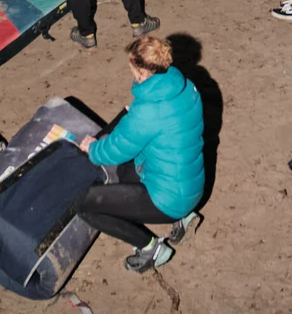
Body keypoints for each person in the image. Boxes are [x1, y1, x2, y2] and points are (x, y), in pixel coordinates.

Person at [77, 35, 205, 274]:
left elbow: (114, 151)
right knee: (127, 171)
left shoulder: (147, 111)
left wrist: (92, 147)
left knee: (85, 206)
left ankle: (150, 248)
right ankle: (184, 219)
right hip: (191, 185)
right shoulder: (186, 86)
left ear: (142, 71)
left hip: (169, 200)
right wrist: (134, 118)